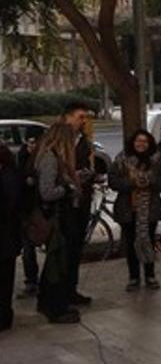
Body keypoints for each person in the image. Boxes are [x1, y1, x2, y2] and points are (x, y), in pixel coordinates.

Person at [33, 123, 84, 323]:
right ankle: (55, 307)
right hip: (57, 217)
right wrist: (68, 189)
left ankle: (48, 302)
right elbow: (46, 192)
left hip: (60, 216)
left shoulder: (52, 157)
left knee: (56, 262)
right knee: (57, 263)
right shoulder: (50, 158)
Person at [109, 129, 161, 291]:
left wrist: (149, 180)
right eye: (138, 141)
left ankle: (150, 275)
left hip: (150, 208)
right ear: (132, 143)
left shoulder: (157, 160)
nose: (141, 144)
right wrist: (132, 183)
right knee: (130, 243)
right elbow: (113, 182)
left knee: (148, 240)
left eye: (145, 141)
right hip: (128, 208)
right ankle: (133, 277)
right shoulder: (122, 159)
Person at [61, 101, 103, 306]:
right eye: (80, 117)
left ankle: (71, 288)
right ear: (67, 117)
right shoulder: (58, 140)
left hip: (83, 199)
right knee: (64, 247)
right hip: (64, 201)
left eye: (85, 117)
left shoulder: (84, 141)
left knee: (76, 245)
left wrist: (91, 176)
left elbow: (87, 164)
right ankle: (59, 291)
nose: (84, 121)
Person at [1, 146, 24, 331]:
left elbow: (10, 207)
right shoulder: (10, 175)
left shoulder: (8, 177)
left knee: (5, 279)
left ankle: (4, 316)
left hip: (6, 237)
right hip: (8, 238)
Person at [17, 135, 40, 298]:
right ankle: (31, 281)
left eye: (35, 142)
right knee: (28, 248)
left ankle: (35, 281)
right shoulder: (22, 158)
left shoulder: (43, 159)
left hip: (39, 209)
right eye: (30, 142)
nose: (32, 146)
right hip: (26, 209)